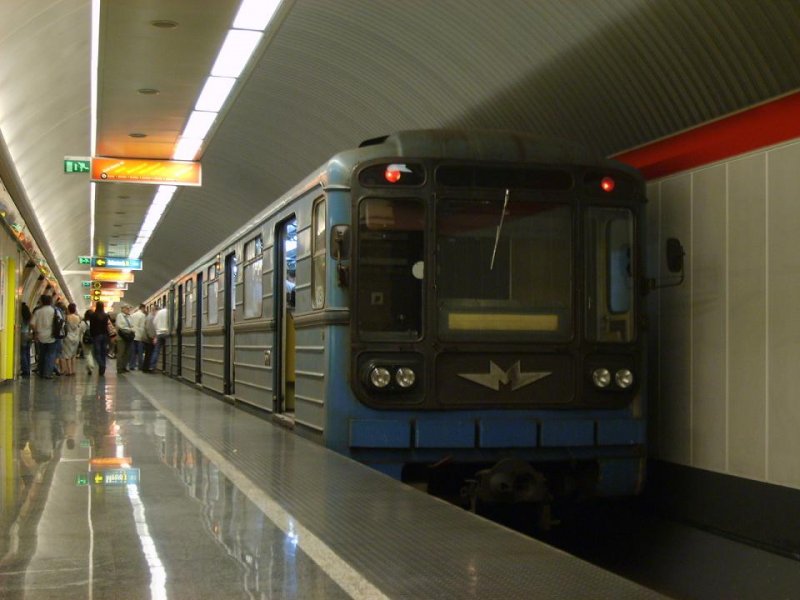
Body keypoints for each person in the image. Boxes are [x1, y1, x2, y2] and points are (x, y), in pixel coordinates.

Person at [30, 294, 56, 379]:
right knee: (50, 354)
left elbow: (32, 323)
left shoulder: (38, 311)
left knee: (42, 354)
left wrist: (36, 332)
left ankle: (41, 371)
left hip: (40, 336)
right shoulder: (54, 311)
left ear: (41, 301)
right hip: (51, 336)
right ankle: (48, 373)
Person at [88, 301, 114, 376]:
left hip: (96, 336)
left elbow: (91, 327)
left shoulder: (93, 315)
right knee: (103, 353)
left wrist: (92, 336)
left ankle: (102, 365)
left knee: (96, 353)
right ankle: (101, 371)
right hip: (105, 336)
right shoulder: (106, 315)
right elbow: (108, 326)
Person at [146, 304, 168, 373]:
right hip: (167, 333)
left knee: (156, 351)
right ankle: (166, 367)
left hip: (159, 334)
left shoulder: (158, 313)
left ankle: (152, 366)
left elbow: (154, 322)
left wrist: (157, 330)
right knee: (167, 350)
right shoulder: (169, 311)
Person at [115, 304, 135, 373]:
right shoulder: (119, 316)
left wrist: (130, 329)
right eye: (126, 308)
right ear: (122, 309)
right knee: (121, 352)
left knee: (127, 352)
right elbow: (120, 325)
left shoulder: (129, 317)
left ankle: (124, 366)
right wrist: (129, 329)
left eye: (128, 308)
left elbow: (132, 325)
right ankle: (119, 368)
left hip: (128, 336)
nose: (128, 310)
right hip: (121, 336)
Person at [128, 304, 146, 370]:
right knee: (140, 352)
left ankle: (131, 365)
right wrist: (143, 335)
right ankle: (140, 366)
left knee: (133, 352)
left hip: (133, 335)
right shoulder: (143, 315)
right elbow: (142, 327)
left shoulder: (132, 315)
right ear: (143, 308)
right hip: (139, 336)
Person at [80, 309, 96, 375]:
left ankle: (90, 365)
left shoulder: (83, 323)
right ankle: (89, 367)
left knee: (87, 353)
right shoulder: (95, 322)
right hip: (93, 339)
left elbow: (80, 331)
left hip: (85, 340)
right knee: (91, 353)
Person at [142, 307, 157, 373]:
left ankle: (145, 368)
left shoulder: (148, 317)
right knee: (149, 354)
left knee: (148, 354)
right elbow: (149, 329)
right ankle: (146, 368)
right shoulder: (151, 318)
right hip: (148, 339)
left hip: (146, 338)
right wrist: (153, 337)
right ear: (154, 311)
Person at [19, 302, 32, 377]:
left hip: (23, 334)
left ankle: (25, 370)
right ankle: (28, 368)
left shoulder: (20, 316)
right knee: (27, 352)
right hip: (29, 334)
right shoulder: (29, 316)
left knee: (23, 352)